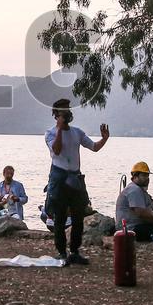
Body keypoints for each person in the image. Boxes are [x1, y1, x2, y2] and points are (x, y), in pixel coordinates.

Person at [44, 98, 110, 264]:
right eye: (63, 111)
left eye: (68, 110)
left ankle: (74, 251)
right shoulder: (50, 133)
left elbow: (94, 147)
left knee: (78, 216)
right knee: (59, 217)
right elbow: (57, 150)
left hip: (75, 176)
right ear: (56, 115)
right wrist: (59, 129)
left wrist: (104, 139)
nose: (67, 113)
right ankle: (61, 252)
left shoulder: (77, 132)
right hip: (59, 176)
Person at [115, 162, 153, 242]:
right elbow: (142, 213)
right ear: (135, 177)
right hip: (130, 229)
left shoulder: (141, 191)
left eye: (147, 175)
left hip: (136, 225)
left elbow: (152, 211)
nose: (147, 178)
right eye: (144, 175)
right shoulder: (134, 190)